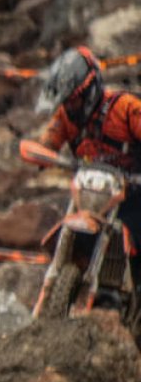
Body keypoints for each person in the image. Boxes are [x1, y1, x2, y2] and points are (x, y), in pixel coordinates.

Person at [35, 45, 141, 287]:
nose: (70, 107)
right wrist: (41, 154)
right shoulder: (65, 117)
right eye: (67, 103)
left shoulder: (125, 108)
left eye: (74, 101)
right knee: (61, 232)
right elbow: (48, 143)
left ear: (90, 89)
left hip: (134, 192)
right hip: (91, 195)